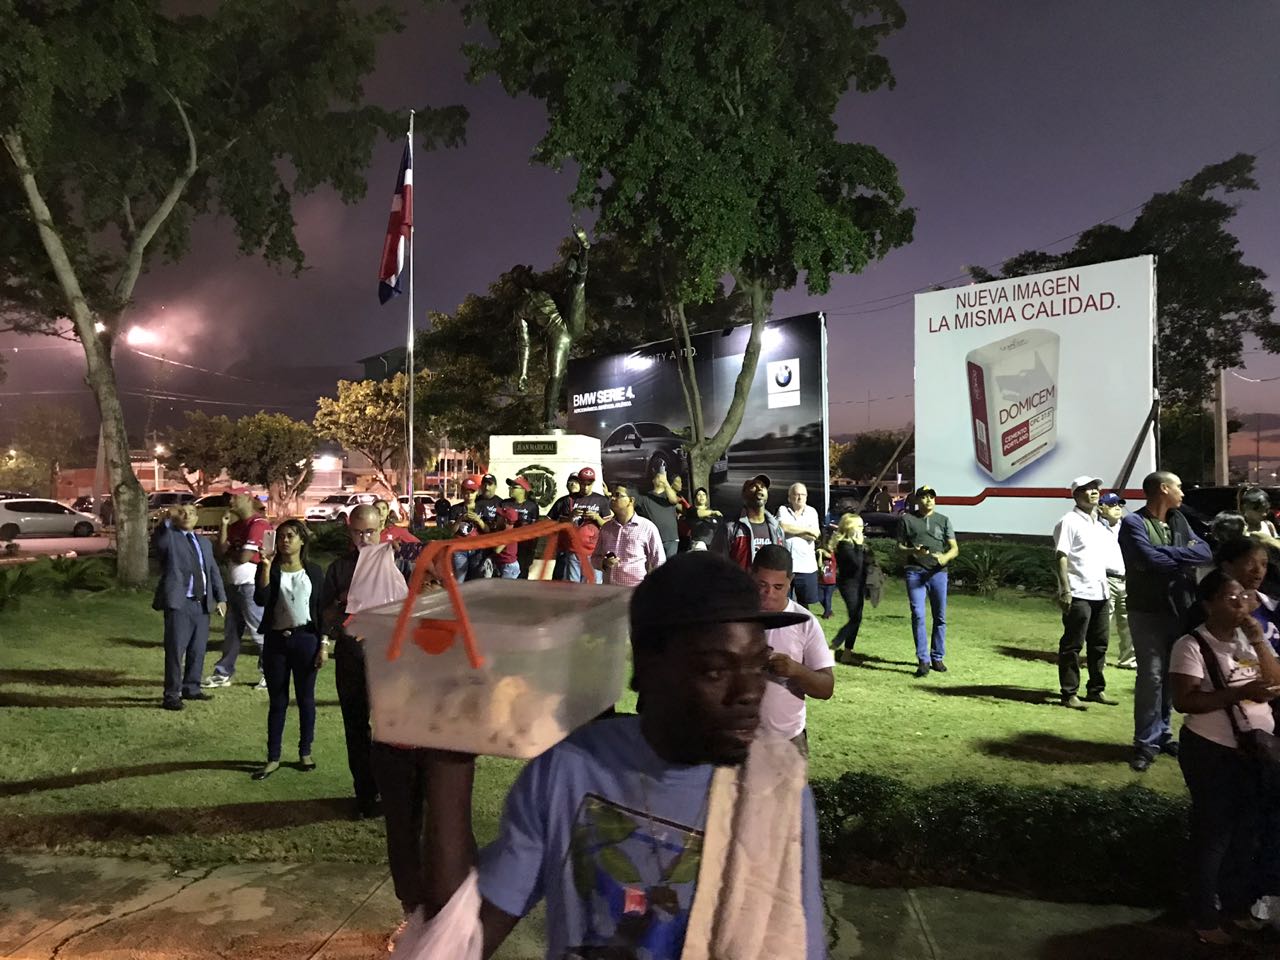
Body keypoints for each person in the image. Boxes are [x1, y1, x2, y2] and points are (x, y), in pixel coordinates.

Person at [414, 552, 826, 959]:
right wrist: (449, 755)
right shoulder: (570, 770)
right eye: (716, 671)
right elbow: (459, 937)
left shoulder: (776, 795)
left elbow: (793, 942)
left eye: (757, 666)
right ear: (646, 668)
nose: (750, 693)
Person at [1169, 569, 1280, 945]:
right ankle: (1204, 916)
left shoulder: (1247, 641)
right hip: (1211, 750)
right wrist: (1240, 693)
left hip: (1253, 749)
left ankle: (1235, 907)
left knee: (1246, 834)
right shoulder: (1191, 645)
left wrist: (1257, 641)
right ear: (1208, 604)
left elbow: (1275, 680)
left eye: (1245, 599)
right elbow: (1185, 701)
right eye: (1231, 599)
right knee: (1213, 835)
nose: (1241, 605)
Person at [1120, 470, 1212, 772]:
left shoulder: (1179, 520)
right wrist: (1180, 556)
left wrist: (1167, 553)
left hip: (1178, 610)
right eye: (1179, 487)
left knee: (1171, 677)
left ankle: (1163, 735)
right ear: (1163, 489)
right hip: (1146, 610)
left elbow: (1204, 551)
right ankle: (1145, 742)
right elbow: (1150, 560)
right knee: (1152, 676)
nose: (1183, 493)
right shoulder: (1134, 522)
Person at [320, 503, 391, 818]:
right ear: (349, 532)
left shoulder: (396, 562)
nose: (365, 538)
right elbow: (324, 617)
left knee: (391, 727)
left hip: (390, 656)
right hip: (351, 656)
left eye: (371, 531)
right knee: (356, 725)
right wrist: (342, 601)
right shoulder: (338, 569)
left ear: (381, 529)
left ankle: (395, 792)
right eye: (358, 532)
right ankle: (365, 794)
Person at [250, 519, 325, 781]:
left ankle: (305, 752)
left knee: (305, 698)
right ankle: (273, 757)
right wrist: (266, 568)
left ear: (302, 540)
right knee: (278, 701)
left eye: (291, 536)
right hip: (276, 642)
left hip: (306, 639)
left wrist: (323, 644)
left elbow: (322, 610)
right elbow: (261, 599)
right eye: (281, 536)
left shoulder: (314, 571)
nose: (285, 540)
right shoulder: (271, 569)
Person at [752, 544, 835, 754]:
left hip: (788, 742)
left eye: (778, 587)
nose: (768, 594)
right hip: (739, 742)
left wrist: (796, 671)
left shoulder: (804, 622)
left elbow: (826, 688)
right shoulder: (732, 618)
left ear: (790, 581)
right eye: (762, 584)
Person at [152, 504, 226, 711]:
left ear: (197, 518)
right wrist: (167, 519)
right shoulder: (170, 538)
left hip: (202, 603)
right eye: (183, 512)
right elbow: (160, 540)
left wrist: (221, 598)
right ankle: (171, 694)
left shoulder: (204, 542)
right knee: (176, 650)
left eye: (192, 513)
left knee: (198, 649)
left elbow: (213, 571)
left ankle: (191, 687)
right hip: (180, 603)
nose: (187, 516)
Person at [1052, 476, 1118, 710]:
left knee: (1099, 644)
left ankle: (1095, 689)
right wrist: (1065, 589)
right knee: (1072, 645)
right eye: (1086, 489)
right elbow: (1061, 555)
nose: (1093, 492)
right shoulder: (1068, 521)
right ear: (1075, 494)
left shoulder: (1098, 523)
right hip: (1078, 591)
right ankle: (1069, 693)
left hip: (1100, 591)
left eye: (1095, 488)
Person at [204, 490, 270, 689]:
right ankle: (223, 673)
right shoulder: (236, 526)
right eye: (228, 497)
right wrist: (223, 526)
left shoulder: (259, 524)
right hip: (235, 586)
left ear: (247, 499)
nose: (229, 500)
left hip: (251, 585)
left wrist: (233, 552)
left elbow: (245, 557)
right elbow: (221, 552)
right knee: (231, 632)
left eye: (234, 496)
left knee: (259, 631)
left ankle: (270, 673)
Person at [898, 485, 959, 678]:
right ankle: (923, 660)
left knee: (939, 616)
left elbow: (955, 548)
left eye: (931, 496)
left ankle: (937, 657)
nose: (928, 500)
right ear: (917, 500)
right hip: (915, 572)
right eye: (924, 497)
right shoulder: (907, 520)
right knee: (918, 614)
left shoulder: (943, 520)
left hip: (938, 573)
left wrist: (945, 557)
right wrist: (912, 551)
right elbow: (899, 547)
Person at [828, 513, 878, 663]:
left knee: (857, 618)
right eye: (860, 526)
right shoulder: (844, 545)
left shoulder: (858, 545)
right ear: (850, 528)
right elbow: (856, 565)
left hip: (860, 584)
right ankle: (834, 646)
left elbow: (868, 562)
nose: (863, 529)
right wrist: (858, 545)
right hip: (849, 585)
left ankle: (847, 653)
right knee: (855, 618)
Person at [592, 483, 665, 586]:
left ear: (631, 500)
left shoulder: (647, 527)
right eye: (612, 495)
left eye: (617, 495)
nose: (612, 498)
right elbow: (594, 558)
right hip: (609, 590)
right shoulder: (606, 528)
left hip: (635, 589)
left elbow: (659, 561)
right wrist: (604, 563)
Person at [550, 466, 611, 582]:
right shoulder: (569, 499)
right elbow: (555, 524)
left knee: (592, 587)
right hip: (574, 550)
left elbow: (608, 526)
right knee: (573, 587)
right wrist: (571, 516)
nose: (586, 487)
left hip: (594, 552)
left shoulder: (601, 500)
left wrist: (597, 517)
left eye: (589, 483)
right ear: (579, 482)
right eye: (583, 483)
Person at [1098, 492, 1136, 669]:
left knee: (1128, 621)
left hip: (1126, 579)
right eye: (1112, 505)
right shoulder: (1095, 528)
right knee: (1104, 621)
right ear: (1101, 508)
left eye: (1119, 505)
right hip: (1106, 578)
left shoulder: (1127, 528)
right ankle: (1098, 658)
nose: (1118, 508)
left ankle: (1128, 660)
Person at [723, 474, 785, 570]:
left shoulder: (777, 529)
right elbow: (716, 564)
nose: (759, 489)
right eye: (753, 486)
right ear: (744, 494)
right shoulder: (731, 529)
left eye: (763, 487)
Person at [777, 482, 822, 610]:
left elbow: (814, 535)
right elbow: (782, 527)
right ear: (789, 497)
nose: (800, 497)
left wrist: (793, 531)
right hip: (786, 566)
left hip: (806, 567)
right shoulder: (783, 509)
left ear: (806, 497)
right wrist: (806, 530)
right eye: (796, 494)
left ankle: (804, 628)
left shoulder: (812, 512)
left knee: (804, 605)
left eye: (803, 495)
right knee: (784, 603)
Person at [448, 478, 491, 582]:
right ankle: (459, 598)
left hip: (477, 549)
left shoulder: (482, 508)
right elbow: (451, 531)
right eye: (466, 492)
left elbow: (487, 530)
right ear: (462, 492)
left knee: (475, 581)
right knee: (459, 580)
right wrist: (460, 520)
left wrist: (478, 520)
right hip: (459, 549)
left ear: (477, 492)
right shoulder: (455, 509)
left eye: (472, 492)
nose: (469, 495)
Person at [633, 466, 681, 560]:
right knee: (658, 569)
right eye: (658, 476)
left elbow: (674, 500)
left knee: (670, 568)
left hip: (671, 538)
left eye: (662, 476)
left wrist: (666, 482)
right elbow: (631, 500)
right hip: (654, 539)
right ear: (653, 480)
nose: (660, 478)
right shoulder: (645, 498)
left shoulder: (668, 495)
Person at [504, 476, 541, 577]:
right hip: (507, 549)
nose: (510, 488)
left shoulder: (532, 506)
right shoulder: (504, 503)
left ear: (523, 490)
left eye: (514, 487)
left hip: (524, 548)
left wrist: (533, 549)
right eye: (510, 486)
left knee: (522, 575)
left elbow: (535, 530)